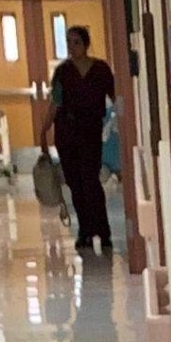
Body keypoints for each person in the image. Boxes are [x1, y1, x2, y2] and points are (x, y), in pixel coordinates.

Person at [42, 25, 115, 255]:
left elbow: (116, 98)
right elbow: (56, 102)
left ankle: (102, 231)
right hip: (67, 132)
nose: (72, 47)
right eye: (69, 42)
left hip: (90, 131)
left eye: (76, 42)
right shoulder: (63, 72)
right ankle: (84, 230)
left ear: (86, 44)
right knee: (75, 183)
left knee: (91, 181)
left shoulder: (101, 70)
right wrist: (43, 130)